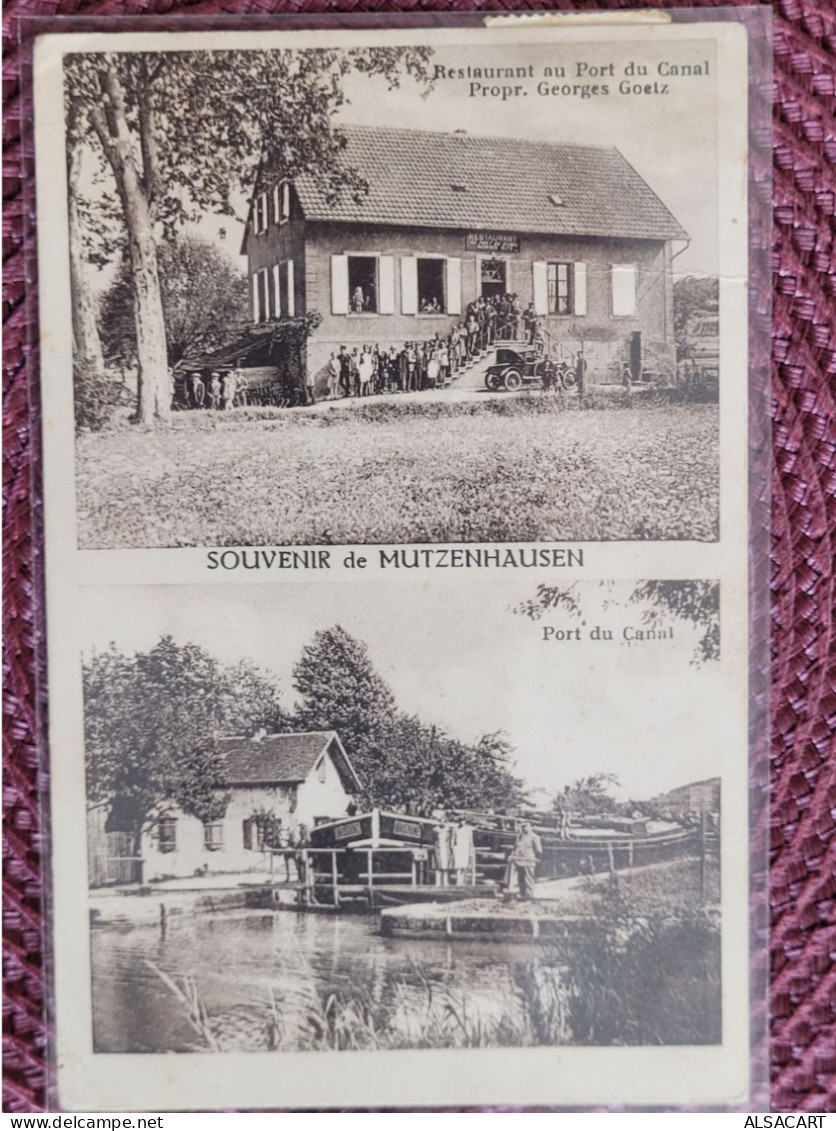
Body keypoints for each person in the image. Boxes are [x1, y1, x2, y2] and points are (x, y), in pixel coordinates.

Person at [507, 820, 542, 900]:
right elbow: (515, 847)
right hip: (519, 861)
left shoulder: (534, 837)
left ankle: (529, 895)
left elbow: (539, 850)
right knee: (521, 878)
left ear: (530, 826)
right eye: (523, 827)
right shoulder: (519, 837)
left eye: (526, 826)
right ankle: (522, 894)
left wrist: (535, 858)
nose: (524, 828)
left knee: (529, 879)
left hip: (529, 860)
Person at [451, 818, 474, 886]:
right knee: (458, 865)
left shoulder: (469, 830)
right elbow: (453, 839)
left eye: (463, 821)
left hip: (465, 848)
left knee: (464, 865)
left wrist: (471, 848)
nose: (462, 822)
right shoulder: (455, 829)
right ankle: (458, 880)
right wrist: (452, 847)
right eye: (460, 821)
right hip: (458, 848)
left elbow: (471, 841)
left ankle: (462, 880)